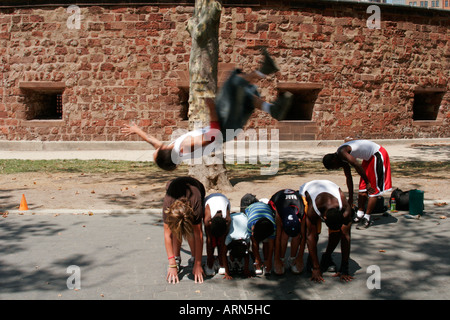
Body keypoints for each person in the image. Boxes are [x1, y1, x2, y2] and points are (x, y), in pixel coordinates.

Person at [121, 48, 293, 171]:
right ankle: (265, 76)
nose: (156, 148)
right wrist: (211, 107)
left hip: (227, 130)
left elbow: (152, 140)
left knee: (246, 93)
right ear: (164, 152)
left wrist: (137, 131)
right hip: (223, 129)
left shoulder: (173, 150)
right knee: (233, 83)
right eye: (156, 152)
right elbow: (213, 134)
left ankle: (271, 108)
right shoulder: (185, 147)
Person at [322, 139, 392, 229]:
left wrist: (368, 182)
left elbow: (357, 165)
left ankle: (367, 217)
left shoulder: (342, 152)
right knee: (362, 189)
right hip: (368, 159)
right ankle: (360, 214)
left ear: (334, 160)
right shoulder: (342, 161)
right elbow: (349, 178)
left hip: (377, 154)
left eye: (334, 166)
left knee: (372, 189)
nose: (336, 168)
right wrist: (350, 198)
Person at [299, 180, 353, 283]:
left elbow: (346, 236)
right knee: (315, 233)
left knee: (338, 233)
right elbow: (310, 236)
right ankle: (312, 259)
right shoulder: (313, 210)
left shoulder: (345, 209)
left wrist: (344, 269)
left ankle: (326, 256)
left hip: (331, 187)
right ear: (324, 218)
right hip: (308, 189)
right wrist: (316, 268)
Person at [162, 176, 205, 284]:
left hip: (197, 187)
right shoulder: (167, 206)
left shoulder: (196, 207)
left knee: (191, 231)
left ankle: (194, 258)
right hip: (173, 185)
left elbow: (198, 235)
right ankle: (176, 258)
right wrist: (172, 263)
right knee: (176, 232)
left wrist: (198, 264)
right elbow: (167, 236)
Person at [268, 189, 306, 275]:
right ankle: (282, 258)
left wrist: (300, 257)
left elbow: (303, 237)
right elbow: (277, 238)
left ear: (299, 220)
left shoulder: (302, 212)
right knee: (283, 236)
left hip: (293, 202)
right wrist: (277, 259)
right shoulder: (279, 216)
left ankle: (292, 259)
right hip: (277, 201)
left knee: (297, 236)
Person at [203, 193, 231, 277]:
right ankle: (210, 265)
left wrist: (223, 261)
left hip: (224, 199)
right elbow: (209, 240)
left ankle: (221, 263)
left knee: (222, 240)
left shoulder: (227, 219)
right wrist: (210, 260)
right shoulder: (207, 219)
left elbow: (223, 241)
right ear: (210, 223)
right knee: (211, 240)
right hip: (210, 200)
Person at [246, 200, 276, 275]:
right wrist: (257, 259)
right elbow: (254, 243)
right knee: (255, 240)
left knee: (266, 242)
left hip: (266, 210)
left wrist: (269, 260)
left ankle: (265, 261)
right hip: (251, 209)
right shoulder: (250, 224)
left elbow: (271, 246)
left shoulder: (273, 226)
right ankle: (258, 262)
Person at [224, 212, 252, 279]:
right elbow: (223, 254)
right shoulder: (229, 238)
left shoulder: (245, 237)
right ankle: (233, 260)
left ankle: (236, 260)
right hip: (238, 216)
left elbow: (247, 252)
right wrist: (226, 272)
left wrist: (246, 269)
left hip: (241, 216)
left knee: (242, 251)